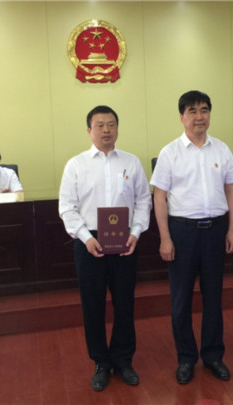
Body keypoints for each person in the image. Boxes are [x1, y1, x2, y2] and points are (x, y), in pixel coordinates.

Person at [58, 105, 152, 392]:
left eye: (111, 124)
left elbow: (143, 201)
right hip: (89, 242)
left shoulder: (131, 162)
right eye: (99, 125)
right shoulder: (76, 165)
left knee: (125, 303)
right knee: (93, 305)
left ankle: (123, 360)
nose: (106, 130)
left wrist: (136, 232)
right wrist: (85, 237)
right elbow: (67, 207)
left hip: (125, 241)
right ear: (89, 130)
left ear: (117, 128)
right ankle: (101, 362)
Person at [150, 90, 233, 384]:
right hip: (182, 233)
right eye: (192, 111)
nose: (199, 116)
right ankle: (186, 358)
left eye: (204, 110)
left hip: (215, 231)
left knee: (214, 297)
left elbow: (231, 190)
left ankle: (213, 356)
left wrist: (232, 229)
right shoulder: (170, 153)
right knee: (181, 299)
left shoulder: (222, 150)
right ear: (181, 117)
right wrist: (165, 238)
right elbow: (159, 197)